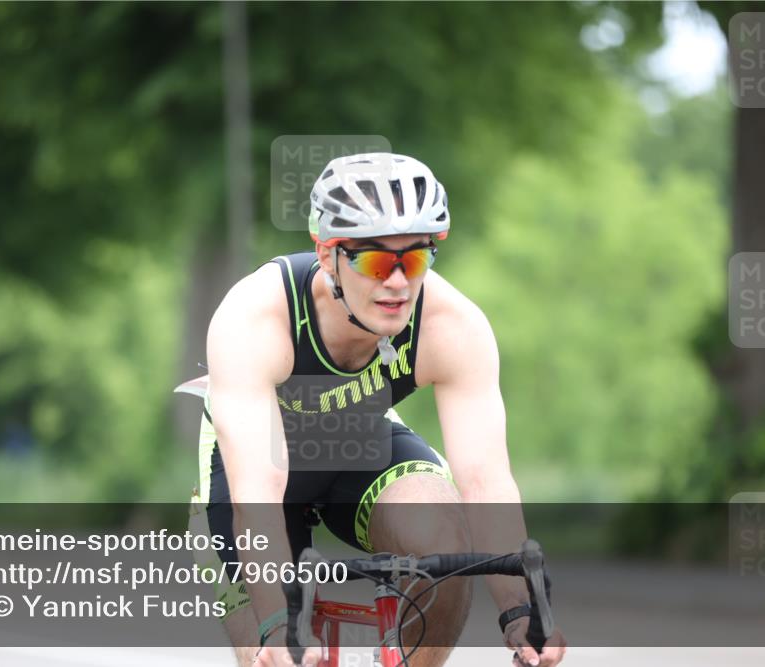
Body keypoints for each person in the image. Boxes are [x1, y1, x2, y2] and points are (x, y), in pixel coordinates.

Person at [191, 152, 567, 666]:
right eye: (374, 261)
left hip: (360, 443)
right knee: (277, 649)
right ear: (327, 255)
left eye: (413, 260)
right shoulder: (256, 317)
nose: (397, 283)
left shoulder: (451, 325)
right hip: (253, 474)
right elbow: (256, 491)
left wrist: (522, 615)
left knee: (442, 529)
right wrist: (278, 625)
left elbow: (484, 481)